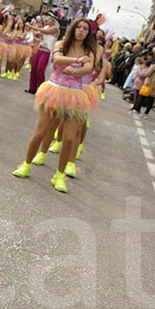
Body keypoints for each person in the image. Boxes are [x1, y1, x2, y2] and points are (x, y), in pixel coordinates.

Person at [12, 18, 97, 193]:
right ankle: (26, 164)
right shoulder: (61, 43)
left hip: (75, 96)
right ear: (73, 29)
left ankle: (59, 175)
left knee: (69, 138)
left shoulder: (89, 50)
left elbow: (88, 68)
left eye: (85, 29)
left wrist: (77, 69)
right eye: (79, 27)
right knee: (41, 132)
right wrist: (76, 59)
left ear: (88, 33)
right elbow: (57, 60)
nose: (81, 31)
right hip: (54, 91)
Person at [28, 12, 59, 93]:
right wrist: (35, 30)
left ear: (53, 20)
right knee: (33, 68)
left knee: (40, 70)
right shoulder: (46, 27)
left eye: (48, 18)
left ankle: (41, 90)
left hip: (47, 52)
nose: (46, 20)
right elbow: (39, 34)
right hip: (40, 49)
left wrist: (32, 26)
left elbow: (46, 32)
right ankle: (32, 88)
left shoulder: (55, 28)